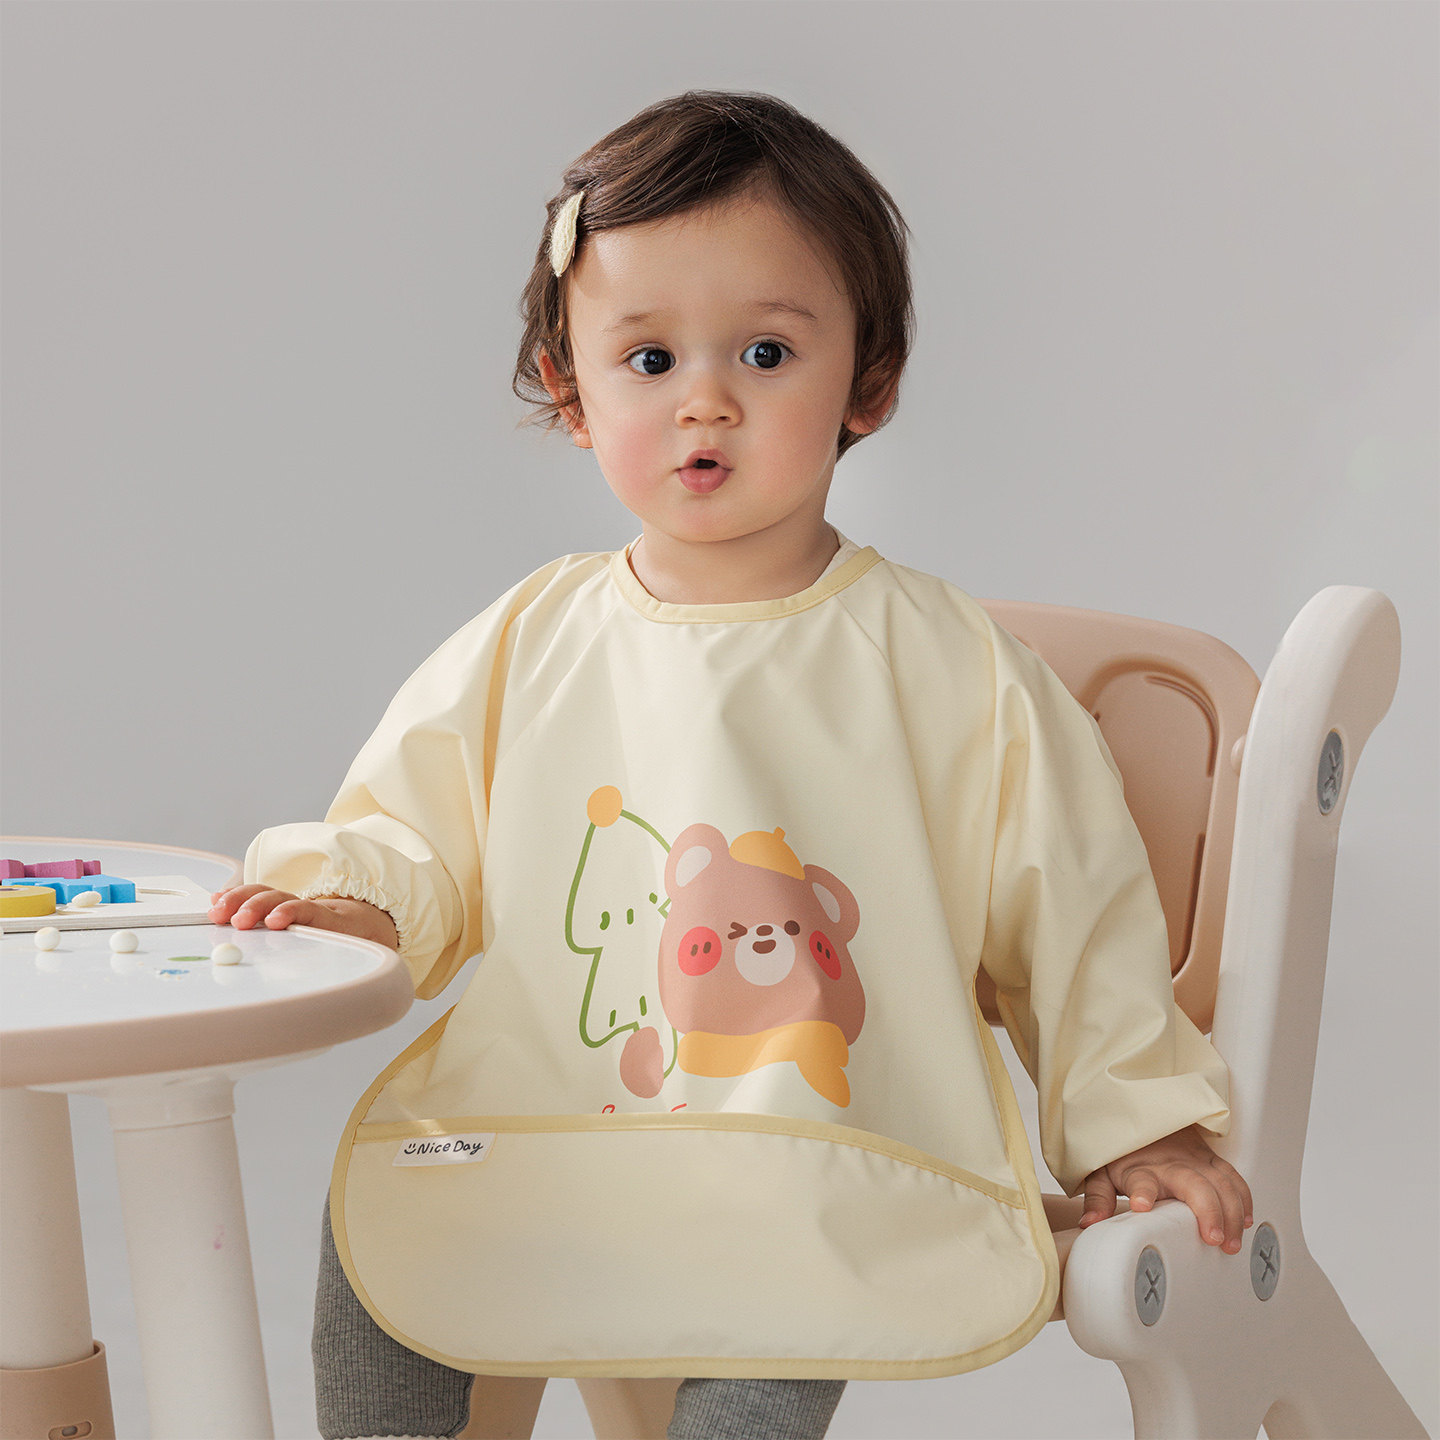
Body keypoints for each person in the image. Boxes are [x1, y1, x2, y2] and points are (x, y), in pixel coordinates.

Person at [212, 91, 1253, 1440]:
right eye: (648, 359)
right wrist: (357, 899)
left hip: (808, 1145)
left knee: (778, 1308)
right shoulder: (534, 638)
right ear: (572, 392)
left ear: (868, 384)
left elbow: (1075, 907)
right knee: (392, 1249)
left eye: (766, 352)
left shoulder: (950, 664)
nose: (704, 399)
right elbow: (415, 825)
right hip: (558, 1122)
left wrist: (1135, 1121)